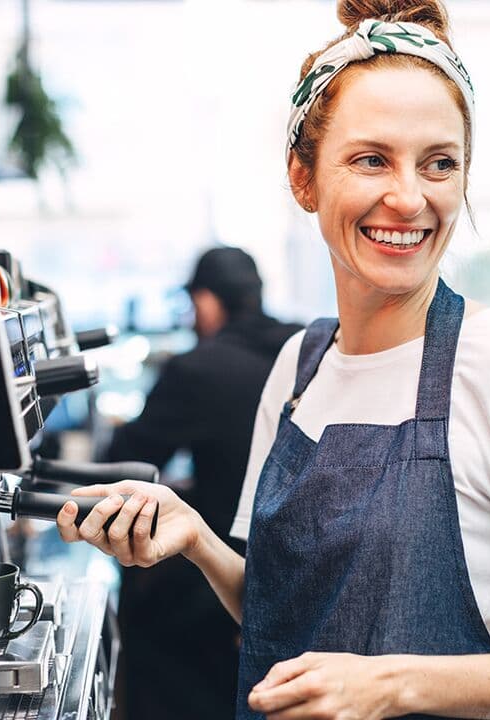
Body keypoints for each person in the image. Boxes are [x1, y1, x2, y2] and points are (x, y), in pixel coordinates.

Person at [58, 1, 490, 718]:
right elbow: (290, 624)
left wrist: (394, 683)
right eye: (372, 159)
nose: (409, 197)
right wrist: (198, 541)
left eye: (440, 163)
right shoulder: (298, 368)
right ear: (304, 179)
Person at [102, 246, 302, 720]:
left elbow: (123, 463)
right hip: (301, 570)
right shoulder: (307, 349)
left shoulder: (199, 367)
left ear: (208, 301)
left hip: (218, 582)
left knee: (142, 603)